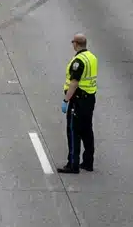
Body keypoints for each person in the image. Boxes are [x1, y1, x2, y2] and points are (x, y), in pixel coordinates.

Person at [58, 33, 97, 174]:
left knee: (73, 131)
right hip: (90, 99)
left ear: (76, 44)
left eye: (72, 42)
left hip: (78, 100)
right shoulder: (92, 57)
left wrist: (66, 100)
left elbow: (74, 83)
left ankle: (73, 164)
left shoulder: (78, 61)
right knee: (87, 130)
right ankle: (88, 162)